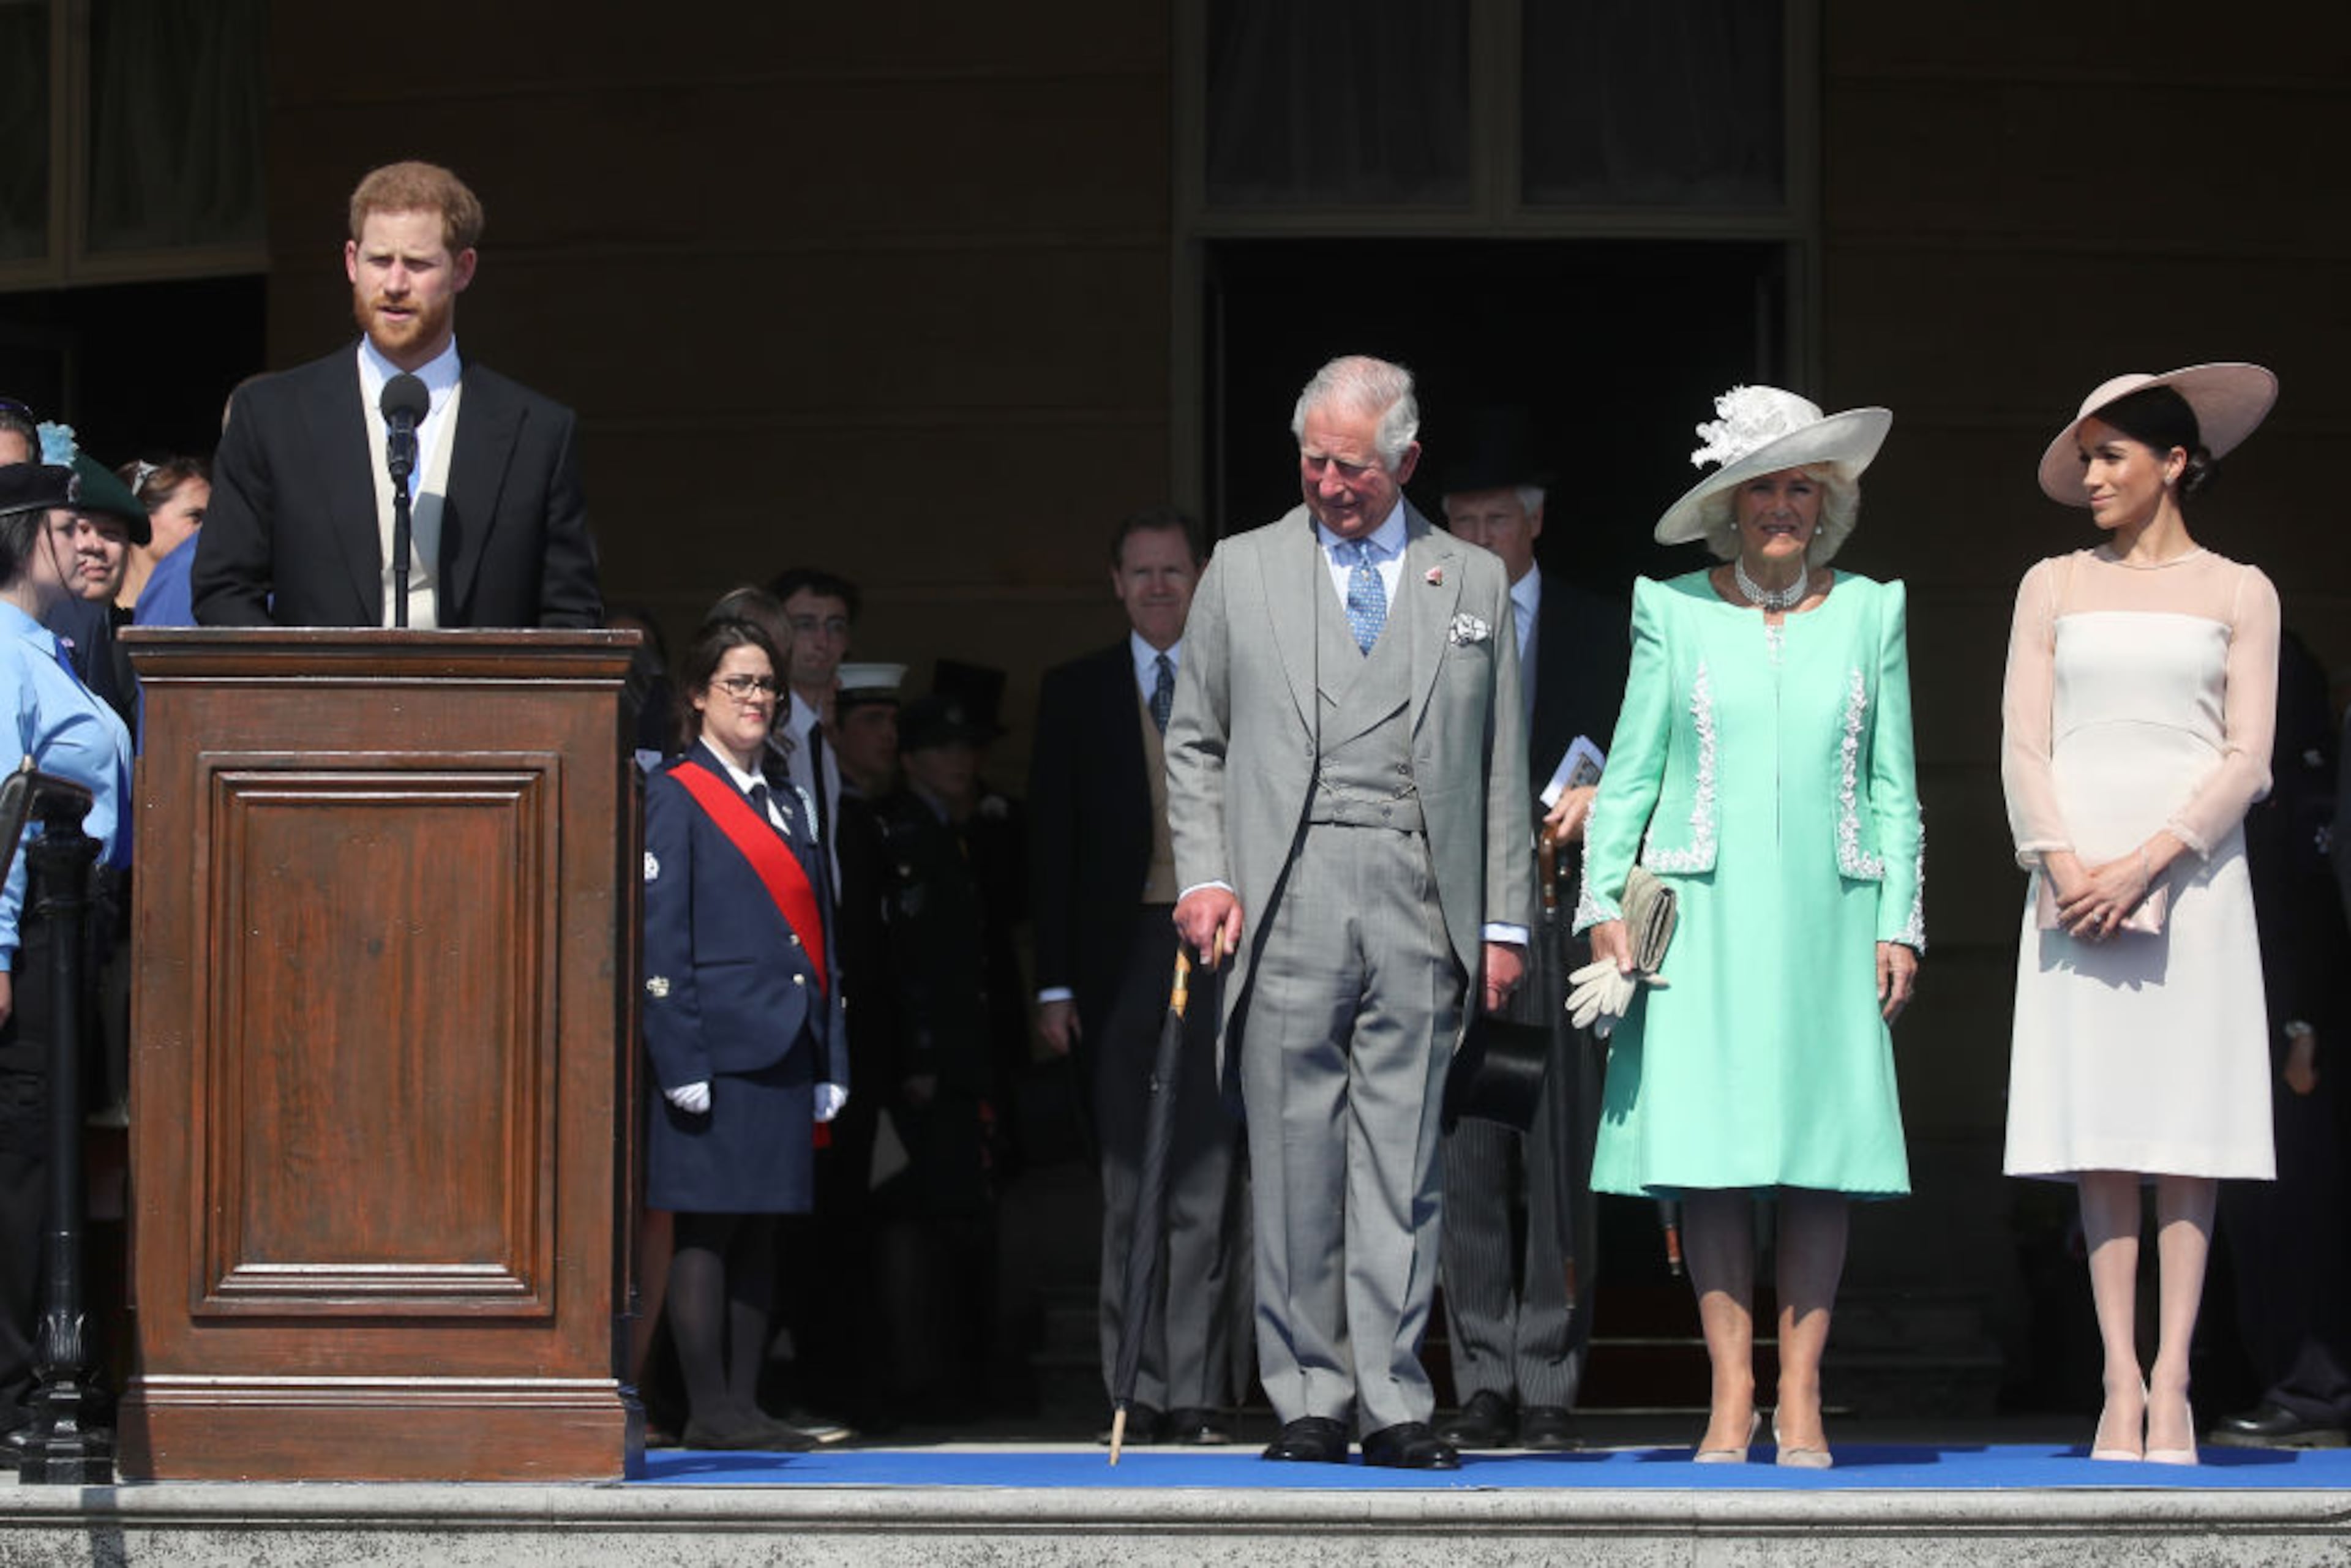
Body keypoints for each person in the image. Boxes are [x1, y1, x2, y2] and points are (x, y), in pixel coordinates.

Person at [1166, 354, 1534, 1471]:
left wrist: (1504, 923)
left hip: (1422, 894)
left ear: (1408, 461)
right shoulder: (1240, 568)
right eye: (1315, 461)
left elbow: (1502, 764)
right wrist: (1204, 874)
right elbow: (1196, 739)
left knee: (1403, 1155)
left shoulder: (1466, 579)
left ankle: (1395, 1396)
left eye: (1355, 467)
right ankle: (1308, 1393)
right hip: (1286, 890)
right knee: (1290, 1152)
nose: (1330, 483)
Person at [1575, 385, 1920, 1469]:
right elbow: (1628, 777)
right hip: (1703, 916)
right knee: (1713, 1158)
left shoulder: (1874, 610)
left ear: (1828, 503)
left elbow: (1896, 785)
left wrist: (1900, 920)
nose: (1782, 506)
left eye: (1801, 487)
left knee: (1819, 1156)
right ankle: (1730, 1396)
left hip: (1833, 911)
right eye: (1762, 486)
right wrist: (1600, 909)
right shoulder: (1670, 609)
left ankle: (1803, 1395)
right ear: (1730, 504)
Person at [2001, 363, 2282, 1466]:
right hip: (2072, 883)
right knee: (2103, 1132)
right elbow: (2025, 744)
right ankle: (2118, 1377)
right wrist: (2068, 862)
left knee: (2186, 1130)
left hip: (2194, 878)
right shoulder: (2052, 584)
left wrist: (2154, 860)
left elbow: (2248, 756)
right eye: (2085, 456)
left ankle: (2177, 1381)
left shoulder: (2239, 589)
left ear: (2175, 462)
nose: (2092, 475)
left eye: (2112, 453)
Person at [1431, 410, 1628, 1452]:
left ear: (1535, 524)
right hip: (1454, 927)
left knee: (1555, 1161)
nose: (1476, 536)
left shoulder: (1605, 625)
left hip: (1563, 922)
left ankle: (1550, 1380)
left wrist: (1608, 801)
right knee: (1468, 1155)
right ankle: (1482, 1378)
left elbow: (1654, 758)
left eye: (1494, 518)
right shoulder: (1423, 628)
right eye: (1458, 519)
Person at [1030, 506, 1245, 1447]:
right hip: (1117, 959)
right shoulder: (1073, 690)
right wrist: (1053, 984)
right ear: (1115, 584)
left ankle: (1195, 1386)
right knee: (1130, 1183)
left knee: (1206, 1179)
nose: (1159, 587)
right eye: (1142, 573)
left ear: (1202, 577)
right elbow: (1052, 847)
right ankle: (1135, 1385)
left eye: (1174, 571)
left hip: (1222, 947)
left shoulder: (1244, 681)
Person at [192, 160, 601, 629]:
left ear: (463, 269)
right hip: (316, 697)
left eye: (419, 263)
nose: (394, 285)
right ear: (351, 261)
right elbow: (223, 591)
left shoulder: (537, 432)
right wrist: (301, 691)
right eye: (380, 260)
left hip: (479, 700)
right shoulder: (271, 417)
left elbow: (570, 614)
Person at [639, 615, 846, 1450]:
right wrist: (678, 1051)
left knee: (762, 1226)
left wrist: (832, 1050)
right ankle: (709, 1408)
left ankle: (747, 1406)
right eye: (740, 683)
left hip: (785, 1042)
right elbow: (662, 934)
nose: (757, 698)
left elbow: (819, 930)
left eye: (766, 684)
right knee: (707, 1227)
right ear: (698, 696)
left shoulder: (790, 796)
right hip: (716, 1049)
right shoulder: (677, 792)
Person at [0, 459, 134, 1459]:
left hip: (70, 926)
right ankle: (15, 1389)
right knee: (23, 1164)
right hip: (31, 930)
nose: (86, 542)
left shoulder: (45, 650)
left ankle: (40, 1376)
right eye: (68, 524)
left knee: (43, 1159)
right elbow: (4, 801)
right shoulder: (4, 653)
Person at [2213, 631, 2351, 1449]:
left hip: (2295, 1008)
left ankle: (2314, 1386)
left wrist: (2302, 1023)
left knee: (2292, 1201)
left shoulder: (2293, 773)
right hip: (2269, 996)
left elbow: (2309, 888)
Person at [766, 568, 858, 874]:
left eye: (836, 626)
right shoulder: (763, 738)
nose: (823, 641)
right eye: (805, 625)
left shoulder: (823, 746)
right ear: (775, 634)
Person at [115, 457, 209, 622]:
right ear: (143, 518)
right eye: (195, 517)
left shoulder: (204, 609)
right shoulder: (95, 617)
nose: (208, 530)